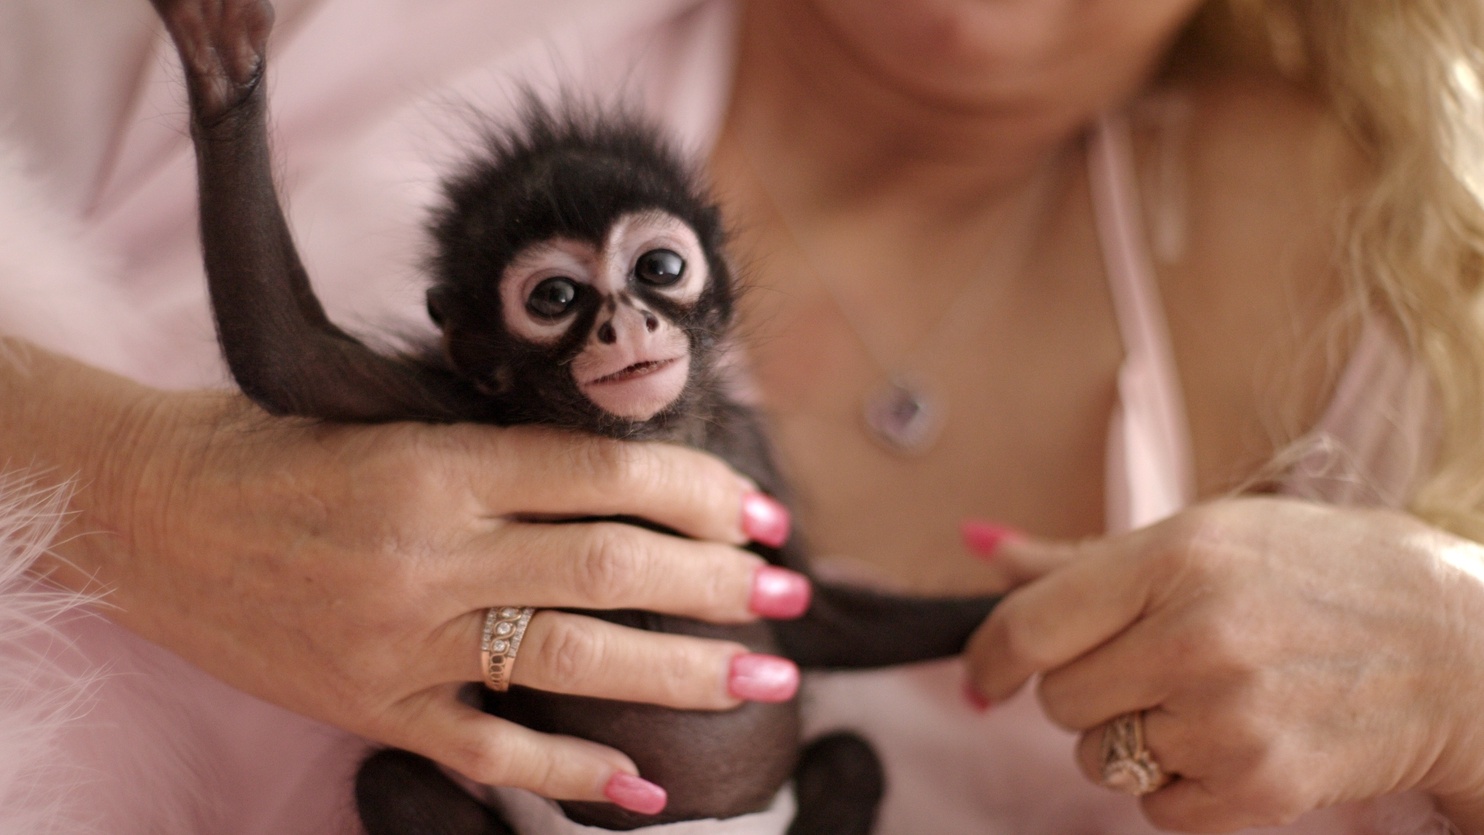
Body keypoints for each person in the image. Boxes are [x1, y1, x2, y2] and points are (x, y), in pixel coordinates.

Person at [1, 0, 1482, 833]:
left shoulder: (1396, 240)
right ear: (478, 338)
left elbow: (818, 612)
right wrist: (134, 488)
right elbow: (293, 356)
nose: (624, 328)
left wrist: (1459, 669)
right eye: (560, 303)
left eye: (651, 281)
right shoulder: (364, 31)